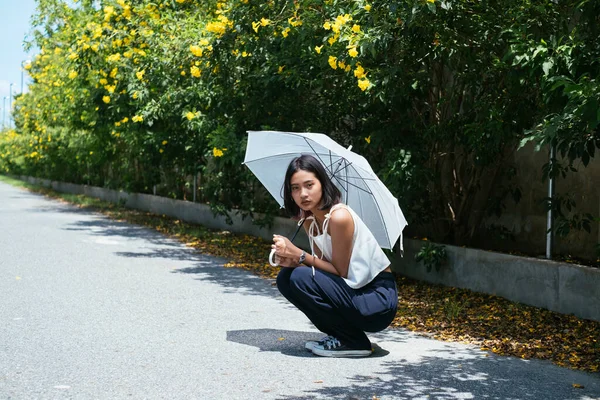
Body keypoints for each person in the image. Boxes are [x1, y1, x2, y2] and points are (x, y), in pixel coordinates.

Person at [271, 154, 398, 358]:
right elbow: (322, 269)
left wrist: (300, 255)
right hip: (352, 291)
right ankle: (343, 336)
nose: (303, 194)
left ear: (322, 183)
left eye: (309, 185)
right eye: (295, 188)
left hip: (375, 298)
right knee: (286, 278)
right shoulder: (310, 221)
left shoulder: (340, 216)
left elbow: (341, 271)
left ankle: (354, 342)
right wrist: (292, 260)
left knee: (299, 276)